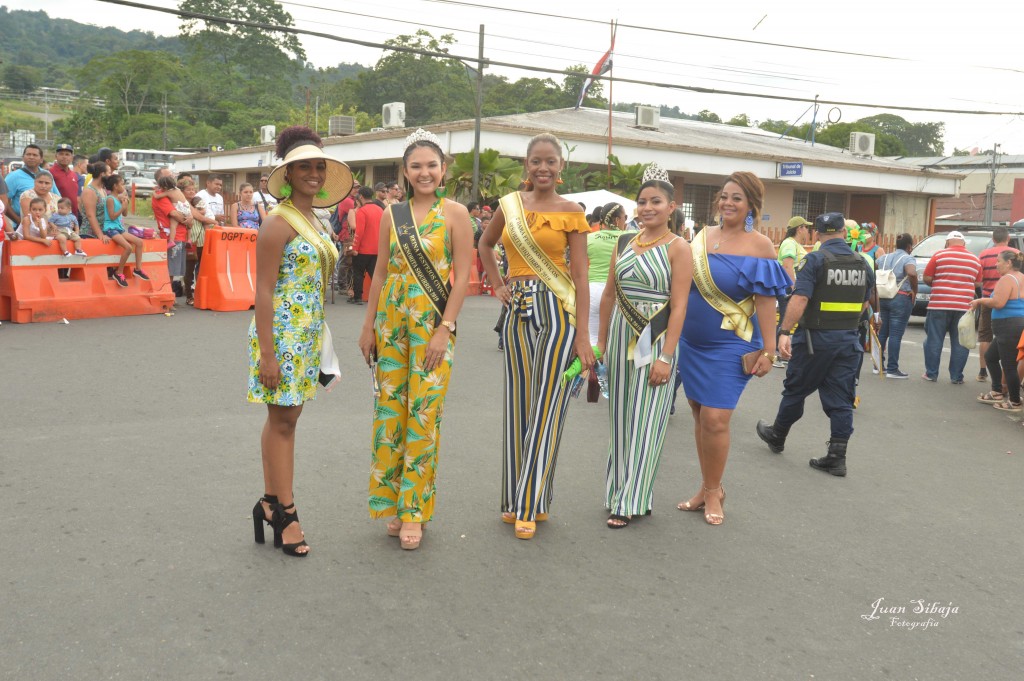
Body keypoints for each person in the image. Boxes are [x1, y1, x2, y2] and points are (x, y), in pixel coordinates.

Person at [356, 129, 472, 550]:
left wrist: (446, 328)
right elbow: (381, 273)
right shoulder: (392, 214)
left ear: (444, 169)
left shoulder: (457, 214)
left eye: (432, 165)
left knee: (423, 414)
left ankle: (414, 512)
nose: (425, 172)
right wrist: (368, 325)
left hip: (432, 325)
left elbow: (463, 277)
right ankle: (392, 501)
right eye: (416, 166)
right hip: (391, 322)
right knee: (390, 413)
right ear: (404, 172)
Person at [478, 132, 595, 540]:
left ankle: (528, 503)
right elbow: (485, 243)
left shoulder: (572, 211)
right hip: (517, 311)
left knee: (548, 405)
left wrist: (584, 335)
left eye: (551, 161)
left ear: (561, 167)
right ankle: (517, 501)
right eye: (536, 161)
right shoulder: (509, 206)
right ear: (526, 166)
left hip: (558, 313)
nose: (543, 168)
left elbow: (579, 275)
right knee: (518, 406)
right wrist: (497, 284)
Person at [248, 126, 351, 558]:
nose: (312, 173)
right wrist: (268, 355)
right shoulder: (278, 222)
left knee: (285, 422)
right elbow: (264, 291)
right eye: (303, 166)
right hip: (282, 336)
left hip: (307, 333)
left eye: (318, 166)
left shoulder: (314, 219)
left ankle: (270, 503)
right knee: (284, 422)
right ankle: (285, 512)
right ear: (287, 174)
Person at [675, 171, 788, 524]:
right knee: (698, 412)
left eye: (736, 198)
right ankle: (707, 486)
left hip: (731, 345)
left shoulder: (761, 246)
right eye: (724, 196)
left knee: (715, 417)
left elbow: (767, 302)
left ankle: (713, 492)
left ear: (751, 204)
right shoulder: (699, 238)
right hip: (691, 342)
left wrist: (769, 350)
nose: (727, 203)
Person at [597, 179, 692, 528]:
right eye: (641, 202)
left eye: (655, 201)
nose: (647, 207)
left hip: (655, 339)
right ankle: (619, 493)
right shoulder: (624, 241)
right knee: (621, 418)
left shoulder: (679, 247)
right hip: (622, 335)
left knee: (646, 420)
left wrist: (666, 357)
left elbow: (680, 306)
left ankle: (631, 499)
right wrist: (602, 343)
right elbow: (609, 295)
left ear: (670, 207)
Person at [756, 212, 875, 477]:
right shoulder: (862, 262)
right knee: (842, 399)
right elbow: (866, 302)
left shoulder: (815, 260)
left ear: (817, 235)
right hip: (848, 341)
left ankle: (778, 435)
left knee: (796, 390)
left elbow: (800, 299)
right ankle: (837, 457)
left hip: (815, 341)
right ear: (844, 232)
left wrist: (784, 331)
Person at [922, 231, 982, 383]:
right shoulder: (975, 260)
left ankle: (931, 374)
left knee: (934, 339)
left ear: (947, 242)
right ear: (964, 244)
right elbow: (978, 283)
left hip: (939, 304)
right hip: (964, 307)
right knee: (960, 342)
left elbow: (927, 278)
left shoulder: (939, 255)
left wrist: (938, 282)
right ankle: (956, 377)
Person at [971, 251, 1024, 412]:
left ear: (1008, 263)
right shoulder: (1021, 276)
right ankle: (997, 391)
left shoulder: (1007, 279)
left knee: (1009, 365)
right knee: (990, 357)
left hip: (1008, 325)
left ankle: (1014, 401)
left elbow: (998, 302)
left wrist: (979, 300)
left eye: (998, 261)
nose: (996, 264)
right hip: (1014, 324)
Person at [976, 227, 1019, 383]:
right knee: (1010, 340)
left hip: (988, 298)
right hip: (1012, 300)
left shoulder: (983, 254)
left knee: (985, 335)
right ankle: (1008, 377)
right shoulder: (1016, 253)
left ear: (993, 239)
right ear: (1008, 238)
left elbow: (978, 279)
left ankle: (982, 371)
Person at [875, 233, 917, 378]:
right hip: (900, 297)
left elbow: (875, 267)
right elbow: (911, 272)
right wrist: (914, 290)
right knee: (895, 334)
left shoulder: (883, 258)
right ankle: (893, 369)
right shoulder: (908, 258)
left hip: (884, 297)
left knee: (883, 332)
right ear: (909, 246)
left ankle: (878, 365)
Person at [774, 216, 813, 368]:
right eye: (806, 227)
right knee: (786, 318)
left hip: (790, 286)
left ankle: (782, 352)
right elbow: (788, 265)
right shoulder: (790, 243)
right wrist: (794, 287)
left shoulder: (793, 244)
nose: (808, 231)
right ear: (799, 228)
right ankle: (778, 354)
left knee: (787, 318)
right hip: (788, 287)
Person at [586, 202, 627, 344]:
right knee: (613, 340)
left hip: (591, 292)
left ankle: (589, 366)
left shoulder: (590, 237)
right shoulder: (628, 238)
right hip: (617, 293)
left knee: (592, 338)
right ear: (617, 220)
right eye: (624, 218)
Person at [102, 174, 150, 288]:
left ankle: (138, 269)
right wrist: (122, 207)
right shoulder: (109, 199)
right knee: (128, 247)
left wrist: (125, 204)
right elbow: (112, 217)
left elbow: (125, 214)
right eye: (122, 183)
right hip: (110, 228)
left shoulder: (118, 199)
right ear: (115, 186)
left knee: (139, 242)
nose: (124, 186)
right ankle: (119, 272)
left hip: (119, 228)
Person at [179, 178, 216, 306]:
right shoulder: (180, 203)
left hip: (201, 239)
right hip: (189, 240)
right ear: (182, 191)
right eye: (188, 190)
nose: (191, 192)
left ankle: (200, 295)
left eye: (193, 190)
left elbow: (204, 213)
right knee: (189, 270)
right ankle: (189, 296)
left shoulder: (198, 201)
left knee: (201, 270)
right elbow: (198, 216)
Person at [5, 144, 59, 223]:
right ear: (23, 158)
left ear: (41, 160)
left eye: (35, 155)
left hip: (50, 226)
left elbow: (56, 197)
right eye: (28, 154)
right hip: (24, 226)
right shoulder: (13, 176)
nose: (31, 157)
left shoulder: (47, 175)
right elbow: (3, 202)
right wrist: (20, 221)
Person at [349, 183, 384, 304]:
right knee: (375, 275)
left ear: (361, 196)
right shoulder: (380, 210)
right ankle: (380, 298)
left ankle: (358, 297)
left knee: (358, 273)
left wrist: (355, 248)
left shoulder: (362, 211)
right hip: (377, 249)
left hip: (363, 249)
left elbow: (359, 232)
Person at [80, 162, 109, 239]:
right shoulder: (89, 191)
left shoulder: (102, 190)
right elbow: (90, 215)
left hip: (102, 232)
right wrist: (100, 235)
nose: (110, 176)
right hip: (89, 234)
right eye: (109, 173)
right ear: (102, 174)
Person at [50, 143, 80, 216]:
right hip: (59, 216)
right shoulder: (50, 173)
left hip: (74, 215)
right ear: (56, 156)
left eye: (67, 154)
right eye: (61, 154)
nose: (64, 157)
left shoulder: (73, 174)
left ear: (72, 157)